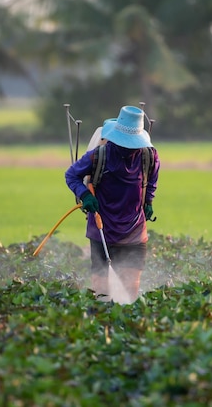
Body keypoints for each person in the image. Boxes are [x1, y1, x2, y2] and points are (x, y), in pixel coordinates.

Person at [65, 105, 160, 302]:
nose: (127, 148)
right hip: (102, 228)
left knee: (130, 293)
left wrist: (148, 201)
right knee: (102, 294)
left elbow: (151, 181)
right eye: (124, 144)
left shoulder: (148, 156)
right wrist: (85, 195)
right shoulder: (99, 156)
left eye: (131, 144)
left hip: (134, 230)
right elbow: (71, 175)